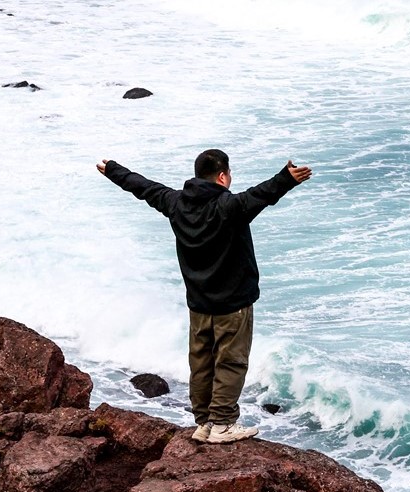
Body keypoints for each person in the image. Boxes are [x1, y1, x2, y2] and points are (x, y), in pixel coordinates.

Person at [97, 150, 313, 443]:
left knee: (201, 363)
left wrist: (113, 169)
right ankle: (222, 424)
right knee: (230, 363)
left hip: (199, 304)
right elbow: (262, 194)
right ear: (222, 176)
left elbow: (144, 187)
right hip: (233, 305)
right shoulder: (230, 206)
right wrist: (286, 178)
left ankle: (204, 423)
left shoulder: (176, 202)